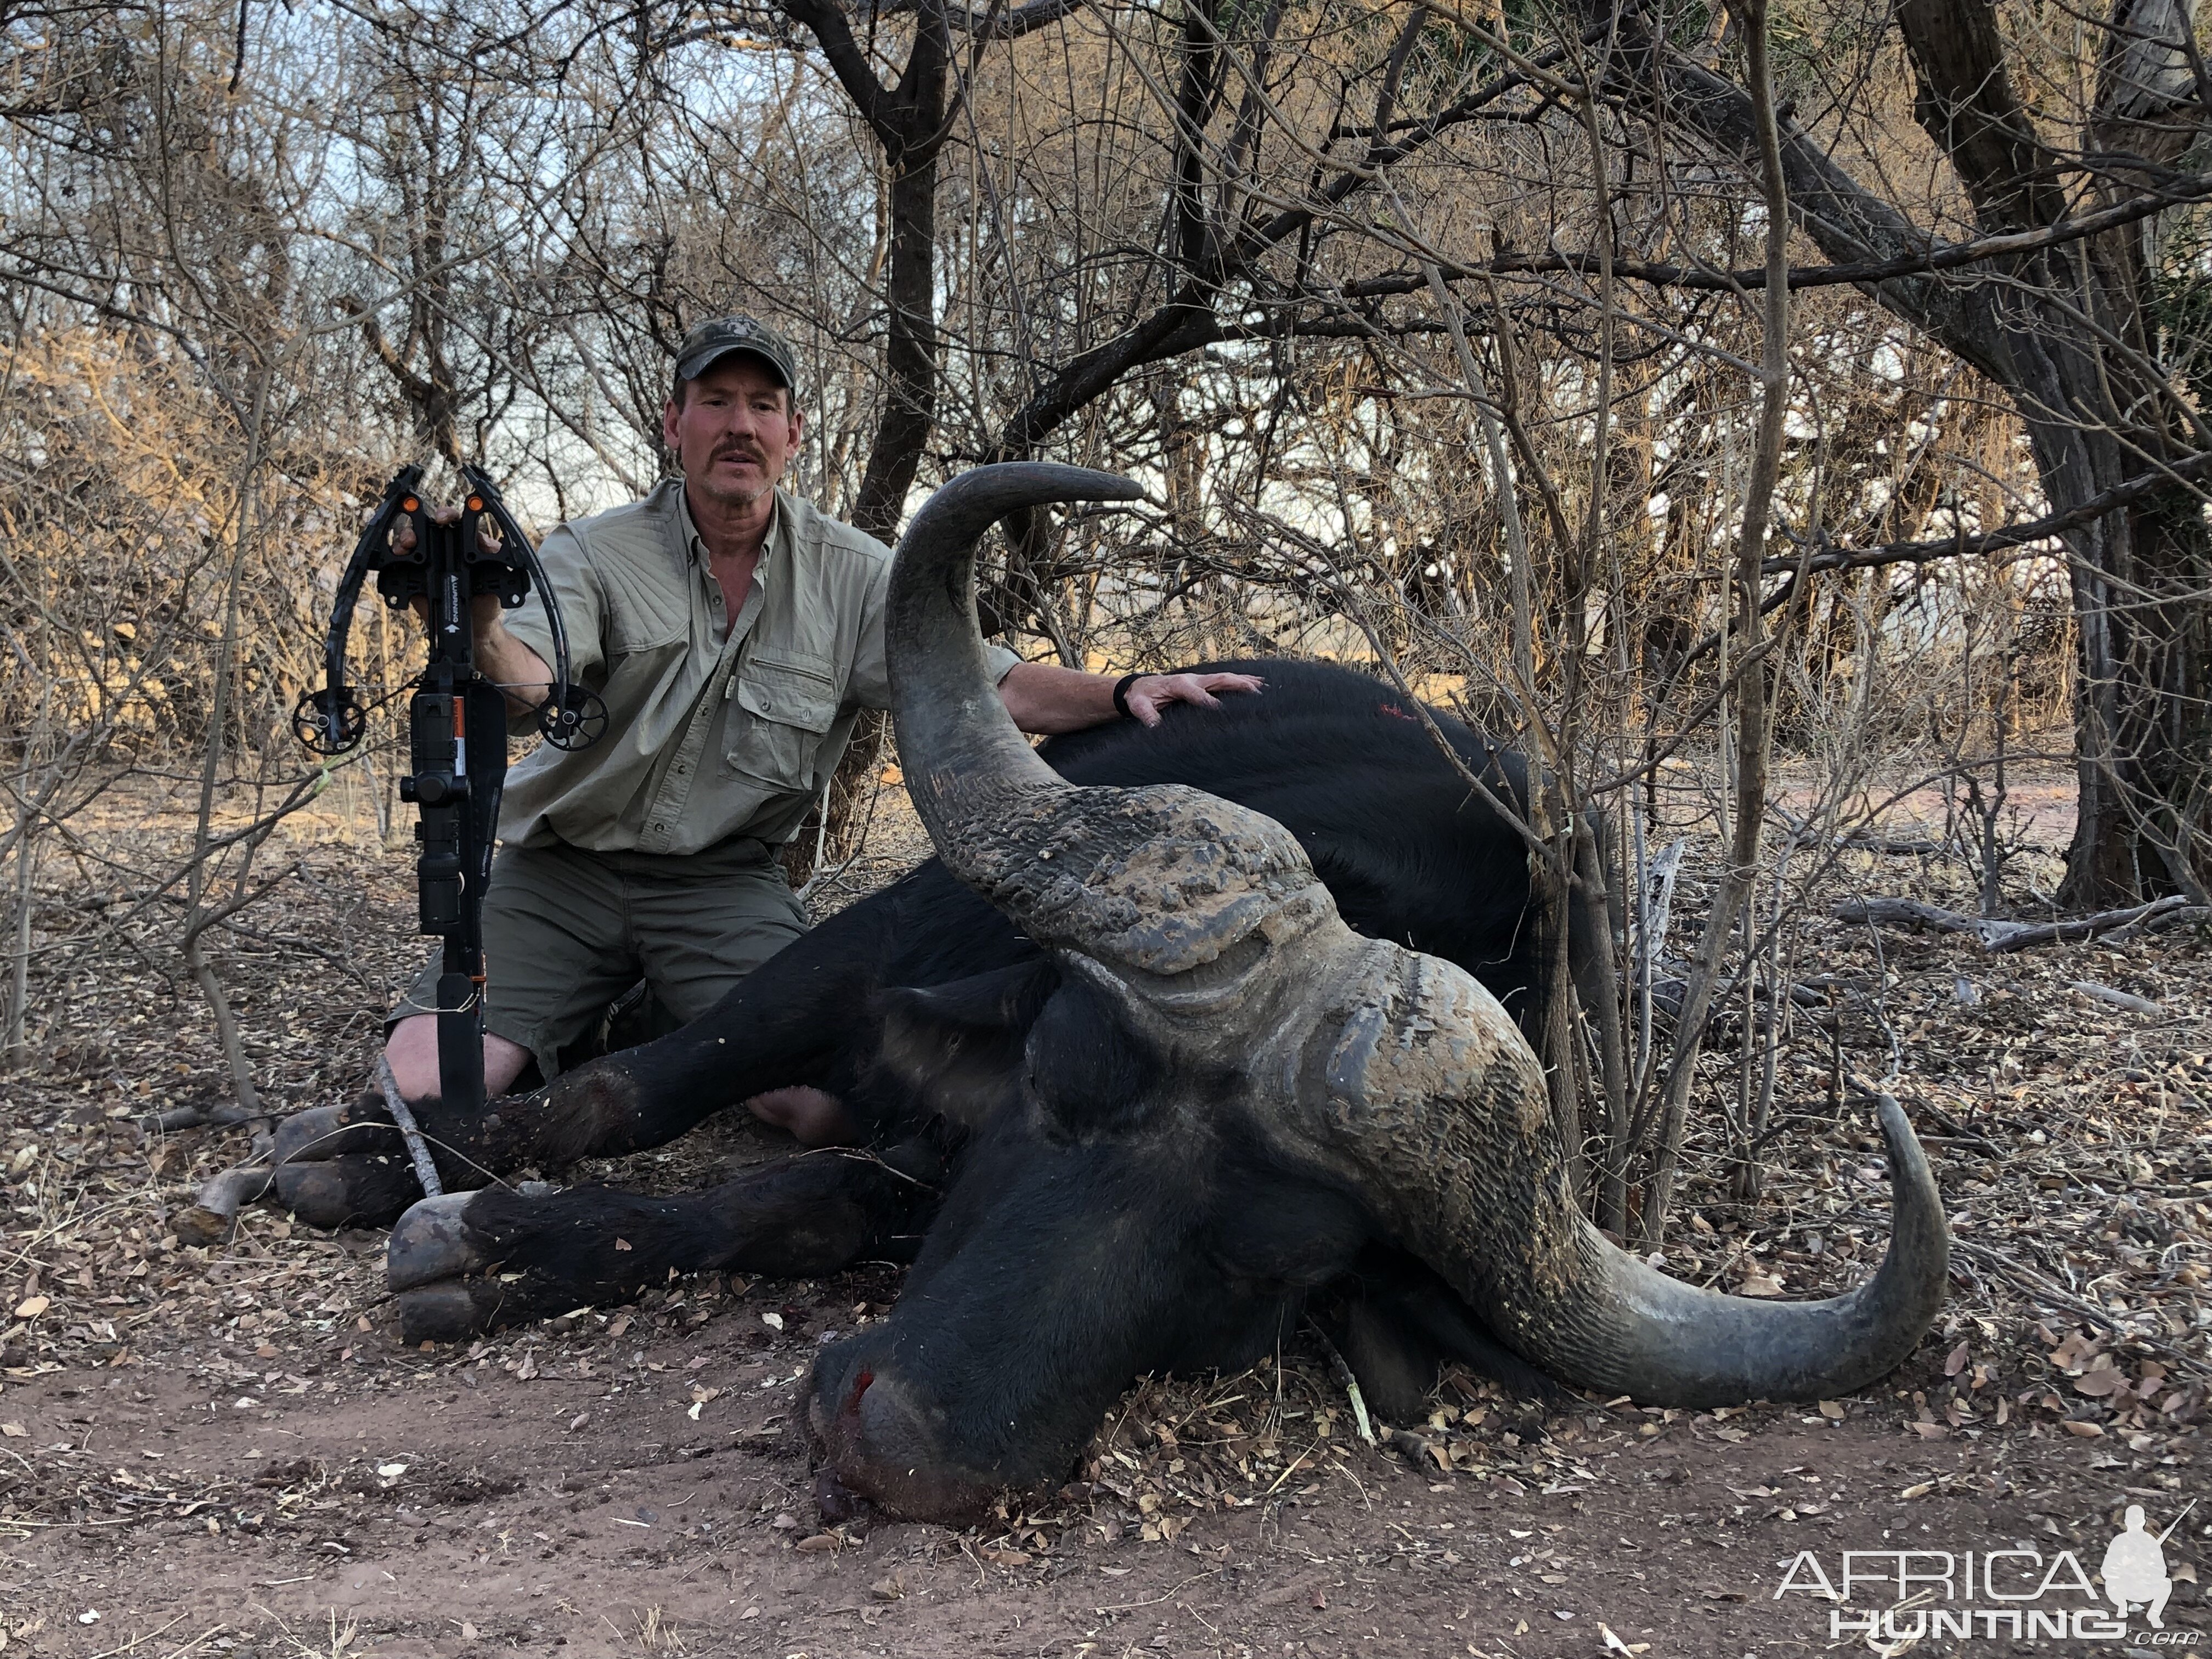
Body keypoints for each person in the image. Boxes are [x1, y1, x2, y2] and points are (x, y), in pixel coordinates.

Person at [379, 314, 1259, 1144]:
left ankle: (649, 1014)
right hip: (559, 871)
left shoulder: (856, 574)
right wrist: (481, 623)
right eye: (716, 402)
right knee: (426, 1097)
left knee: (830, 1111)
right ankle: (585, 1016)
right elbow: (529, 686)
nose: (739, 426)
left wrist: (1131, 690)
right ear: (673, 421)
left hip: (720, 888)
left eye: (763, 407)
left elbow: (986, 687)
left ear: (793, 434)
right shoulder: (592, 551)